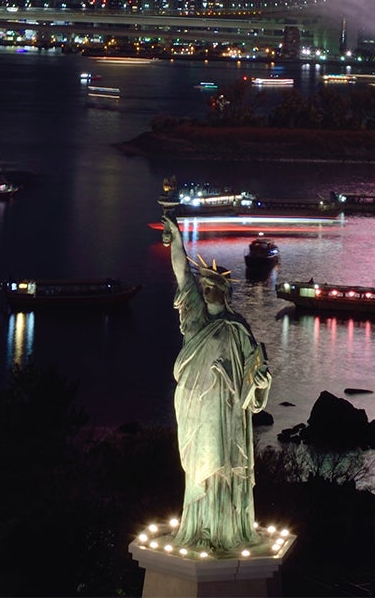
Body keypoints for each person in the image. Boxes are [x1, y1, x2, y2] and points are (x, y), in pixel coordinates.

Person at [161, 215, 272, 554]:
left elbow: (255, 371)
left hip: (226, 410)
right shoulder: (195, 316)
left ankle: (225, 527)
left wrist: (261, 381)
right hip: (196, 405)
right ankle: (201, 525)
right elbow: (182, 272)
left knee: (225, 465)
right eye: (204, 286)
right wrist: (177, 239)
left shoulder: (237, 327)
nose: (207, 290)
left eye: (213, 288)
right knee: (200, 466)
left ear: (225, 294)